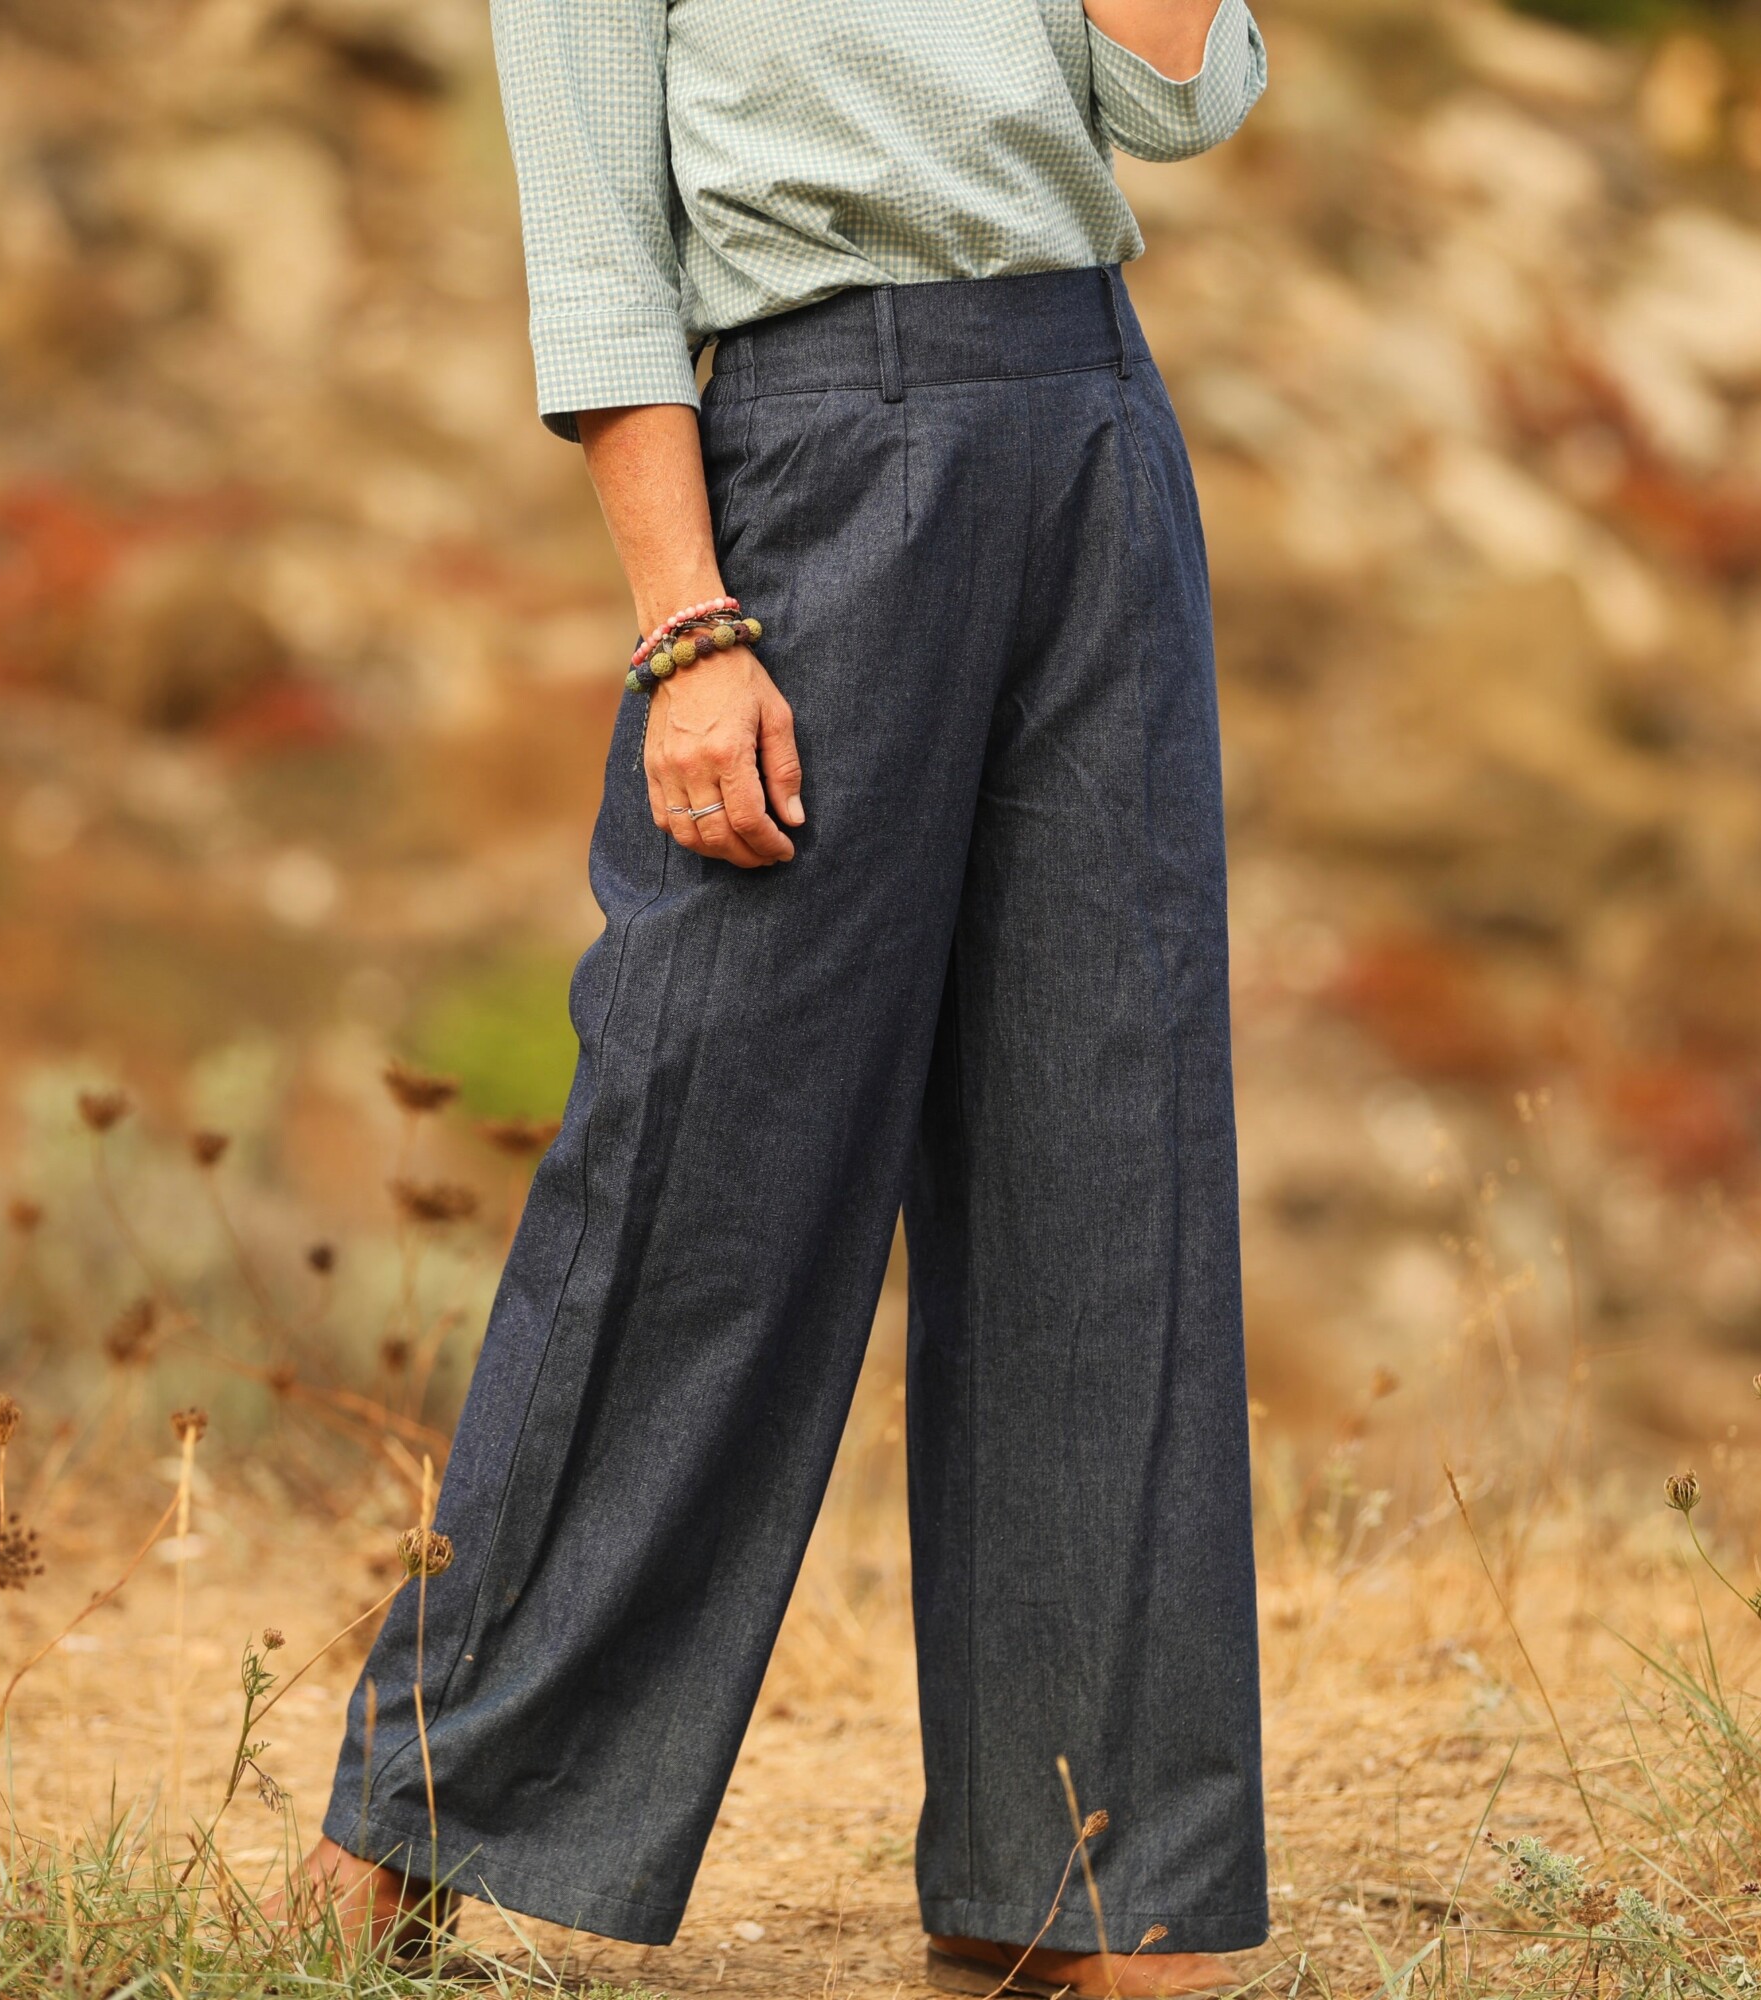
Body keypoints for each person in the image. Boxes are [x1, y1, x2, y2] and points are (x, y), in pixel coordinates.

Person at [282, 1, 1270, 1994]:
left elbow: (1178, 101)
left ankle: (1086, 1882)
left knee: (1109, 1153)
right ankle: (415, 1819)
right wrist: (687, 625)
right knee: (702, 1166)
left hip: (1092, 427)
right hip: (819, 450)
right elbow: (598, 246)